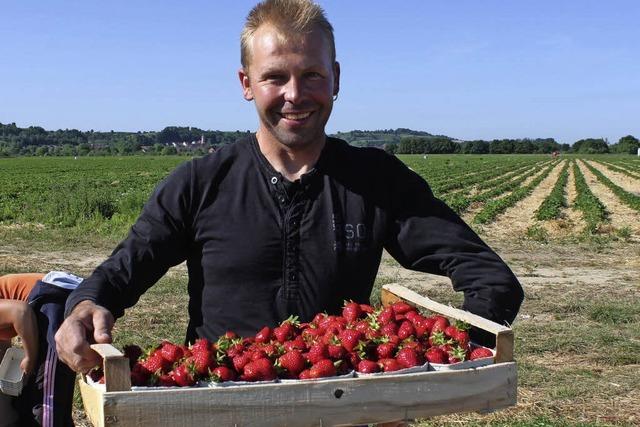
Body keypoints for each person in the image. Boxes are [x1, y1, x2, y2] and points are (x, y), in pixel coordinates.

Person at [56, 0, 523, 390]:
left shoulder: (376, 180)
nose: (295, 94)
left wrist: (436, 361)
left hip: (343, 406)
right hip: (223, 402)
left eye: (313, 76)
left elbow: (490, 278)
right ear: (246, 85)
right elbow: (127, 265)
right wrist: (87, 304)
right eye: (275, 77)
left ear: (336, 79)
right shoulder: (201, 183)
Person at [0, 272, 81, 427]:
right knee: (58, 379)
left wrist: (30, 357)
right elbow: (3, 355)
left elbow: (21, 312)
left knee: (45, 388)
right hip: (58, 297)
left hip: (53, 297)